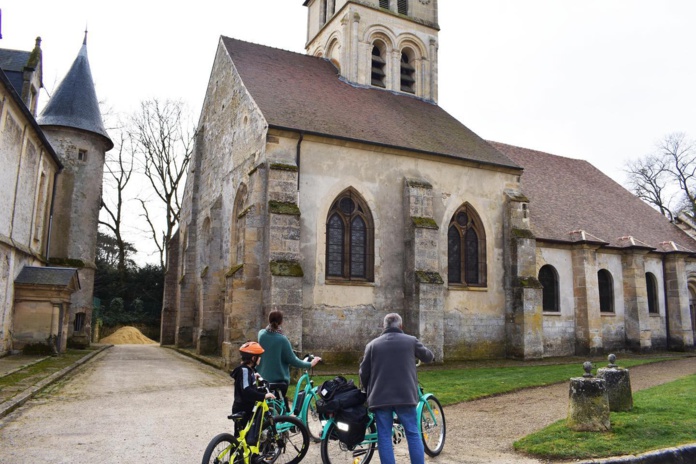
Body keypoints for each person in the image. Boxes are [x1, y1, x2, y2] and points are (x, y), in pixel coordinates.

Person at [359, 313, 434, 464]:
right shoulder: (411, 341)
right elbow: (428, 356)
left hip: (380, 397)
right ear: (401, 326)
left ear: (384, 326)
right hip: (404, 395)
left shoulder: (372, 345)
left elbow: (363, 372)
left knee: (384, 436)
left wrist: (366, 390)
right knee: (413, 433)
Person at [257, 310, 321, 402]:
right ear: (281, 322)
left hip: (262, 378)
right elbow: (293, 360)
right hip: (278, 380)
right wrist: (310, 364)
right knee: (279, 403)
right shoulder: (282, 339)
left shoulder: (261, 334)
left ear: (269, 320)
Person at [230, 341, 275, 427]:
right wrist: (263, 396)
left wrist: (253, 377)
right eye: (259, 357)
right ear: (253, 358)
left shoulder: (249, 369)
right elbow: (246, 390)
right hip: (243, 408)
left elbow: (247, 384)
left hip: (247, 406)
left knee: (249, 433)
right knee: (241, 436)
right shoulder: (244, 370)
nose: (260, 359)